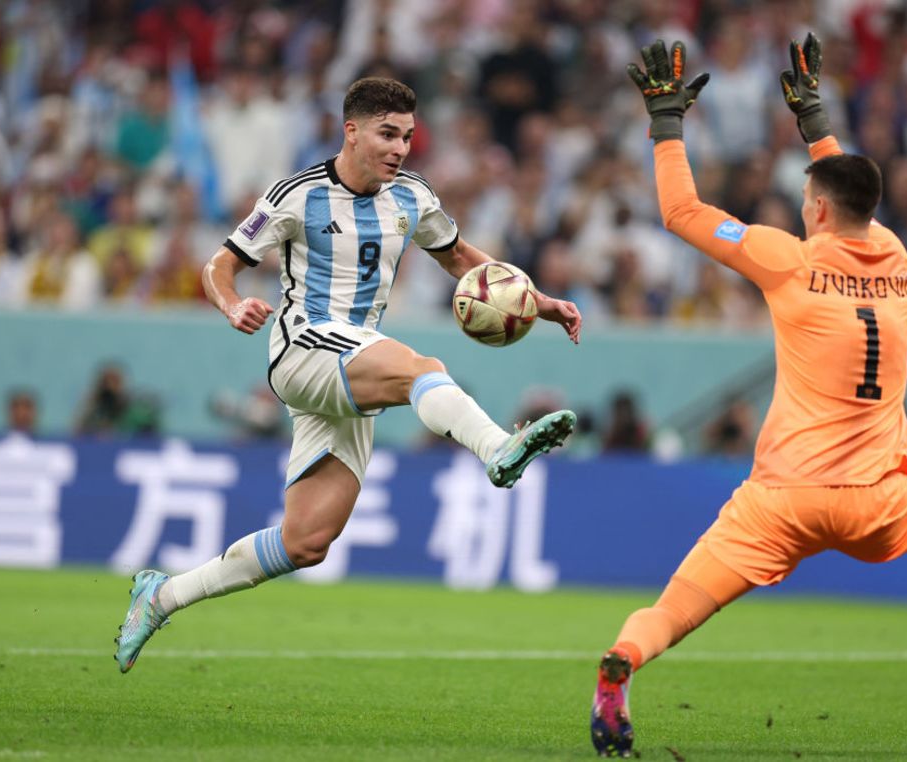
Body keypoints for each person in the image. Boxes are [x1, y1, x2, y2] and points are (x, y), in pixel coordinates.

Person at [590, 36, 907, 757]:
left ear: (821, 212)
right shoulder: (898, 262)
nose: (803, 208)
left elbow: (680, 212)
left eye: (807, 200)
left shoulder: (787, 262)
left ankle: (624, 662)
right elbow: (849, 186)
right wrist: (816, 121)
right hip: (876, 505)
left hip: (780, 501)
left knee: (674, 610)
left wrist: (666, 121)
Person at [114, 77, 581, 673]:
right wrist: (233, 304)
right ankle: (498, 446)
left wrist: (539, 302)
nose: (400, 148)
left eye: (408, 137)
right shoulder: (296, 195)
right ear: (351, 131)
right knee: (423, 368)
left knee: (306, 541)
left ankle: (162, 595)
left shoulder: (413, 196)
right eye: (388, 134)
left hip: (353, 364)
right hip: (303, 347)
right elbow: (220, 266)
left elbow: (463, 261)